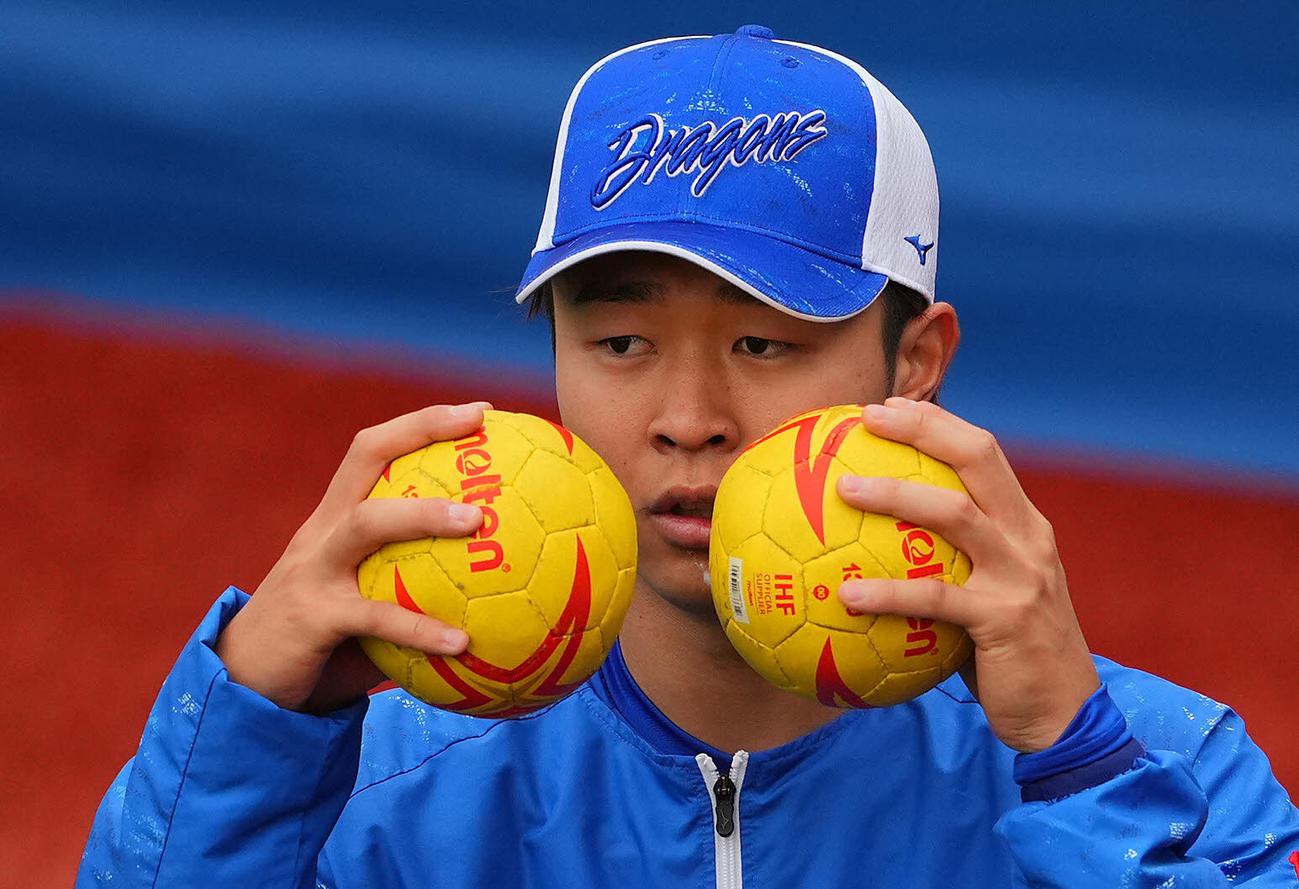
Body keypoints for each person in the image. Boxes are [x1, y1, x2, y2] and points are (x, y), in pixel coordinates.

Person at [78, 26, 1299, 888]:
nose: (687, 415)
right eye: (619, 339)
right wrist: (255, 739)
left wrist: (1081, 772)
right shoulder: (378, 797)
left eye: (765, 341)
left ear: (915, 363)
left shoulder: (1165, 774)